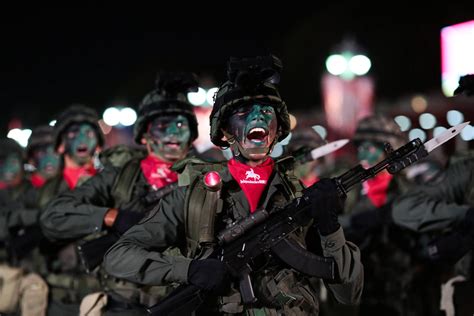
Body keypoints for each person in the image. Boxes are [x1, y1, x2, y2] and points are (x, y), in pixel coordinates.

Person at [104, 55, 363, 315]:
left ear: (278, 127)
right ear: (226, 132)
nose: (257, 119)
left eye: (265, 112)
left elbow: (348, 293)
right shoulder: (195, 197)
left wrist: (330, 228)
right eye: (243, 113)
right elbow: (118, 257)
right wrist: (189, 270)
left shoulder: (300, 196)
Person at [40, 72, 200, 315]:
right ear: (144, 134)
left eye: (181, 125)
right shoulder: (120, 176)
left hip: (186, 300)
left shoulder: (207, 176)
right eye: (162, 126)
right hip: (124, 304)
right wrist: (111, 216)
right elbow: (55, 214)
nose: (173, 133)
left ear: (192, 135)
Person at [38, 104, 104, 316]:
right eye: (73, 133)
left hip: (104, 292)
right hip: (60, 295)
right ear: (60, 145)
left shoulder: (112, 183)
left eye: (88, 132)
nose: (82, 139)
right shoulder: (44, 191)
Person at [0, 138, 49, 316]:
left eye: (12, 161)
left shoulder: (38, 193)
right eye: (1, 162)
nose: (7, 169)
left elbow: (50, 220)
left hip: (36, 275)